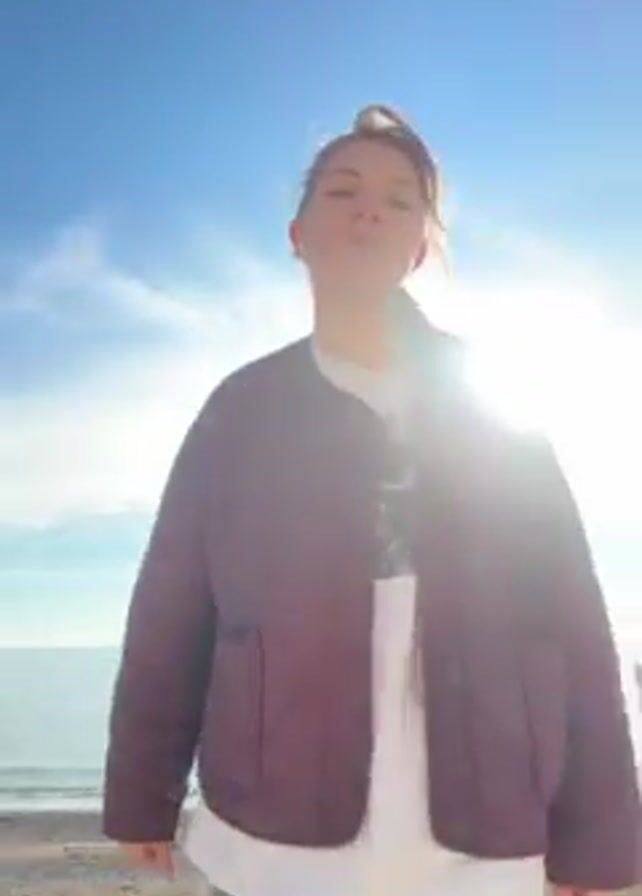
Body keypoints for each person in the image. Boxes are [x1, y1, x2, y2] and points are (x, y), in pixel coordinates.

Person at [102, 104, 640, 896]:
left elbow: (574, 623)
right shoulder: (242, 409)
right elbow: (170, 613)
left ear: (419, 246)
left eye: (399, 200)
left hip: (485, 845)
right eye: (343, 191)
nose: (370, 211)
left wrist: (601, 842)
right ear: (297, 234)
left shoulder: (494, 403)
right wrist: (140, 795)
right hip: (271, 840)